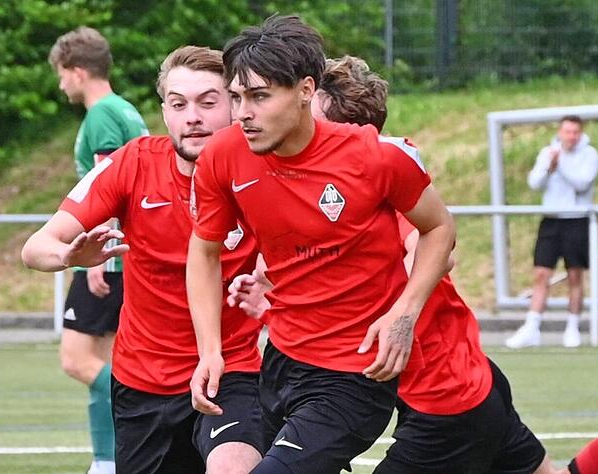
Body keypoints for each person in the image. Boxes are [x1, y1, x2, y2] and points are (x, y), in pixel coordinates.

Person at [231, 55, 598, 474]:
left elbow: (431, 248)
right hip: (471, 379)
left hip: (442, 401)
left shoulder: (371, 183)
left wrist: (403, 296)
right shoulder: (338, 188)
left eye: (308, 114)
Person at [187, 15, 456, 474]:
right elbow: (204, 251)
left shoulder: (375, 157)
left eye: (259, 96)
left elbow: (440, 229)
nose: (242, 113)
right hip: (281, 359)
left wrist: (404, 312)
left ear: (306, 90)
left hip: (356, 375)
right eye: (236, 97)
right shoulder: (223, 155)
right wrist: (210, 348)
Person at [22, 46, 265, 474]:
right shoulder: (132, 163)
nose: (193, 116)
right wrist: (68, 253)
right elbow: (36, 247)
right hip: (143, 383)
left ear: (233, 104)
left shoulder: (261, 173)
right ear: (164, 112)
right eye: (178, 104)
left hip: (230, 372)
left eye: (208, 102)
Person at [46, 26, 149, 474]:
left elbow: (110, 183)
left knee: (76, 360)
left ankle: (149, 412)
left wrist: (98, 258)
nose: (60, 84)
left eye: (62, 74)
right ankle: (110, 458)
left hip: (107, 257)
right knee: (105, 360)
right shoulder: (124, 108)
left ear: (78, 71)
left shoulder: (103, 113)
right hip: (124, 255)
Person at [507, 115, 598, 349]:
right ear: (560, 132)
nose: (571, 136)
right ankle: (532, 326)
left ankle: (572, 326)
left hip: (576, 220)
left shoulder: (590, 155)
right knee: (541, 274)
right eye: (567, 131)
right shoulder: (548, 152)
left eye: (575, 132)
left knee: (575, 276)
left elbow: (583, 183)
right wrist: (549, 167)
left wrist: (562, 167)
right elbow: (534, 183)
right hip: (551, 221)